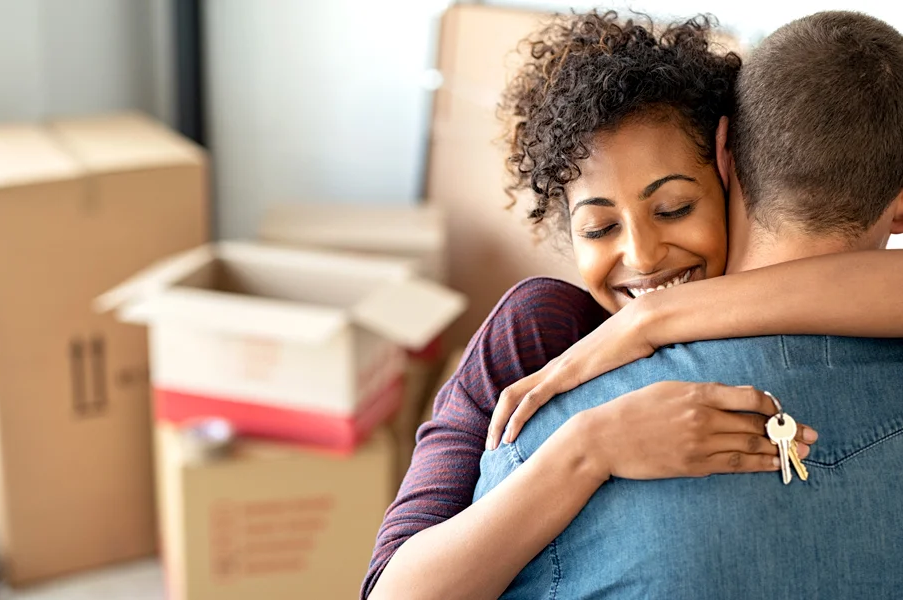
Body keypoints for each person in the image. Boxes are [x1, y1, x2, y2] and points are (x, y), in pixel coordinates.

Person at [363, 11, 903, 600]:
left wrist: (654, 319)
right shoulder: (538, 336)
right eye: (598, 228)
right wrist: (586, 448)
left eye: (673, 209)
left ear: (726, 167)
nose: (643, 257)